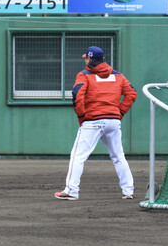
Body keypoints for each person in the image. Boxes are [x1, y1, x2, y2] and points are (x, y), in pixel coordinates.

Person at [55, 46, 137, 201]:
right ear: (103, 58)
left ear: (90, 59)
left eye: (86, 57)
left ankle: (71, 190)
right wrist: (120, 113)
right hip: (113, 120)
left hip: (92, 121)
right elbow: (132, 93)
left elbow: (77, 95)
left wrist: (81, 117)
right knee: (119, 156)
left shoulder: (84, 75)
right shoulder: (118, 76)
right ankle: (128, 190)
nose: (85, 59)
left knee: (77, 156)